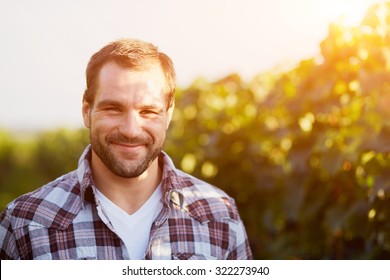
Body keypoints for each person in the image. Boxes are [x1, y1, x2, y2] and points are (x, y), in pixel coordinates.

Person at [0, 39, 252, 260]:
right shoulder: (25, 223)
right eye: (113, 109)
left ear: (168, 114)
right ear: (87, 110)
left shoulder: (219, 215)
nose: (131, 129)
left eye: (148, 111)